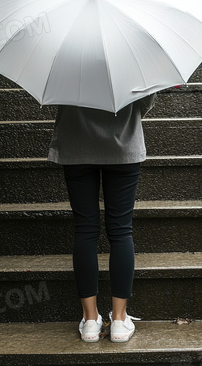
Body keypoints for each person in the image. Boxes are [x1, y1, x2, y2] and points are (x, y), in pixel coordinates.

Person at [47, 93, 156, 343]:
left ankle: (90, 321)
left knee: (85, 230)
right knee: (121, 231)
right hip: (123, 141)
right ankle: (118, 320)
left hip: (77, 144)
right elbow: (145, 101)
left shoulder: (67, 54)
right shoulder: (131, 54)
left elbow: (56, 95)